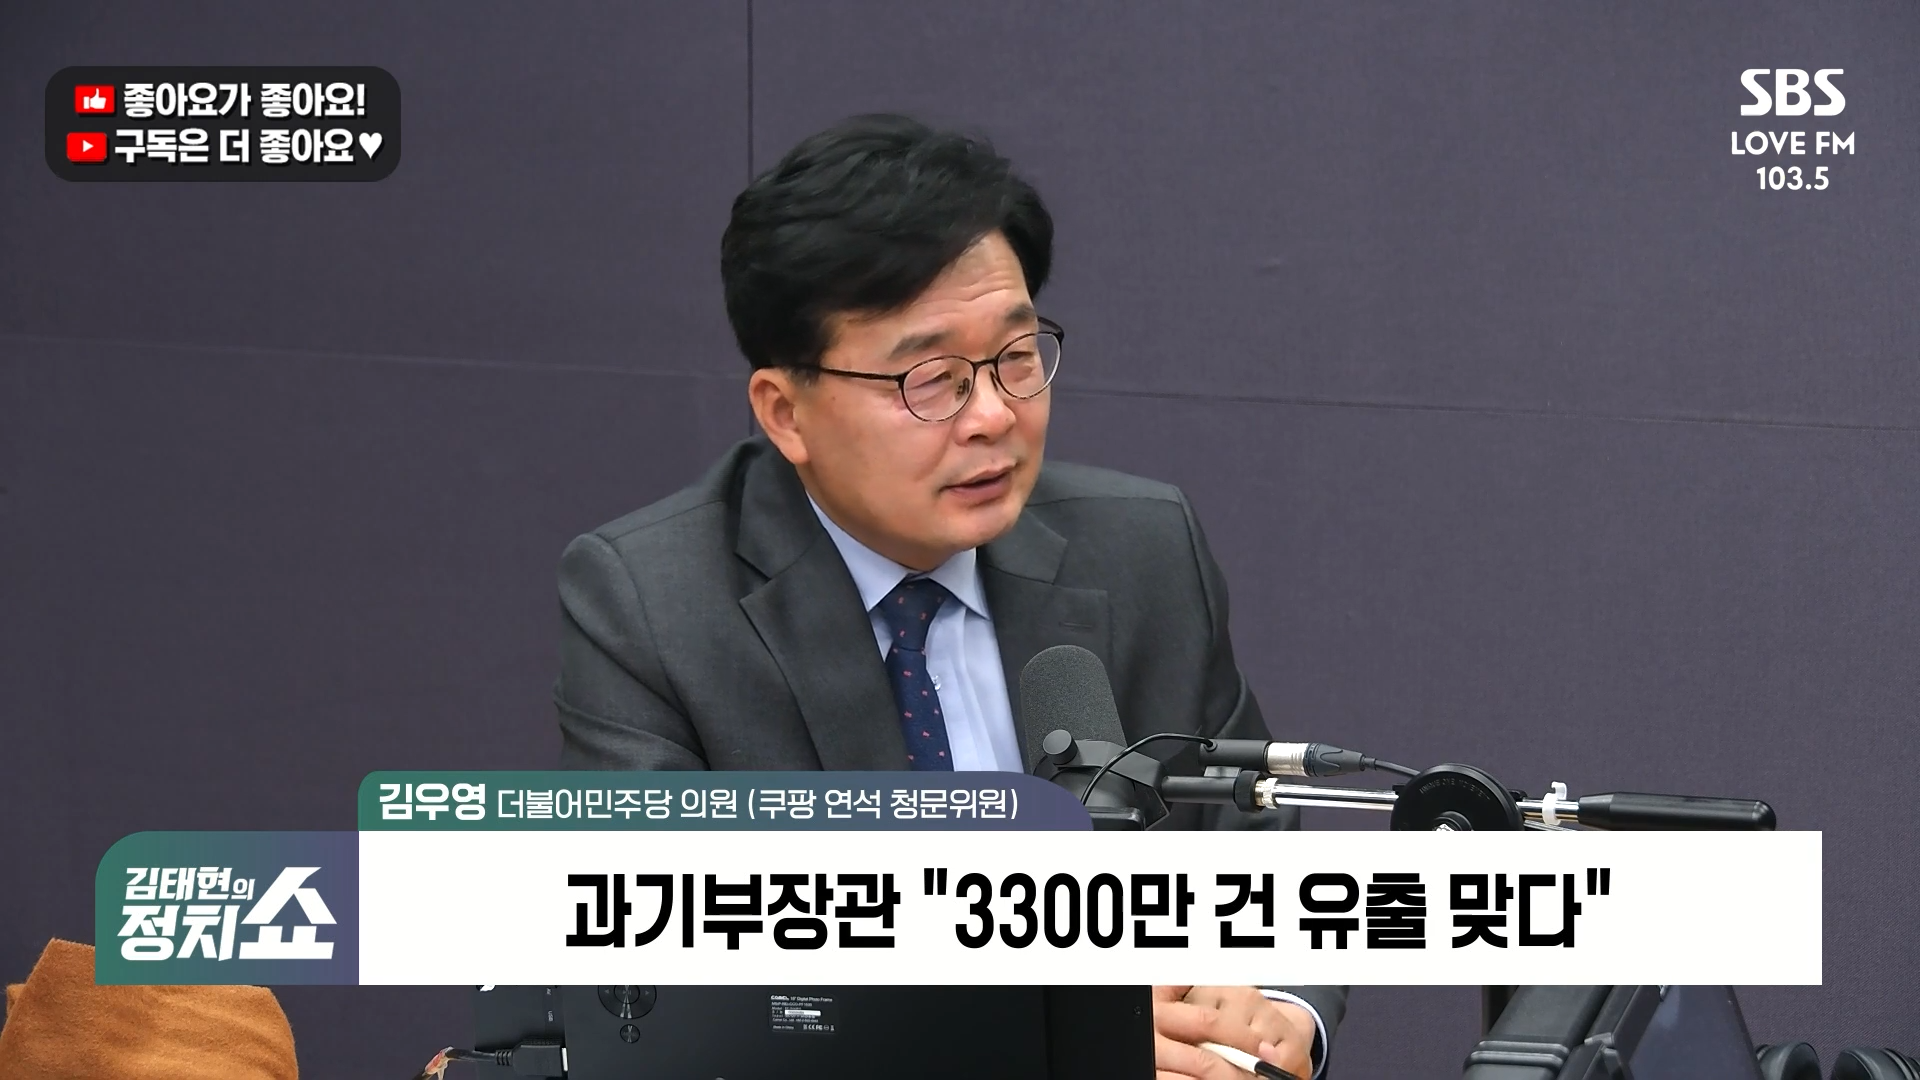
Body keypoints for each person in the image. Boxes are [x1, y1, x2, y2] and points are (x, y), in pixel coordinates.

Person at [555, 113, 1345, 1080]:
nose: (993, 416)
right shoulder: (653, 602)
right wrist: (1053, 1043)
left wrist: (1276, 1010)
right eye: (930, 379)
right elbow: (666, 976)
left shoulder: (1142, 548)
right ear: (785, 412)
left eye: (1017, 357)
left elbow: (1250, 848)